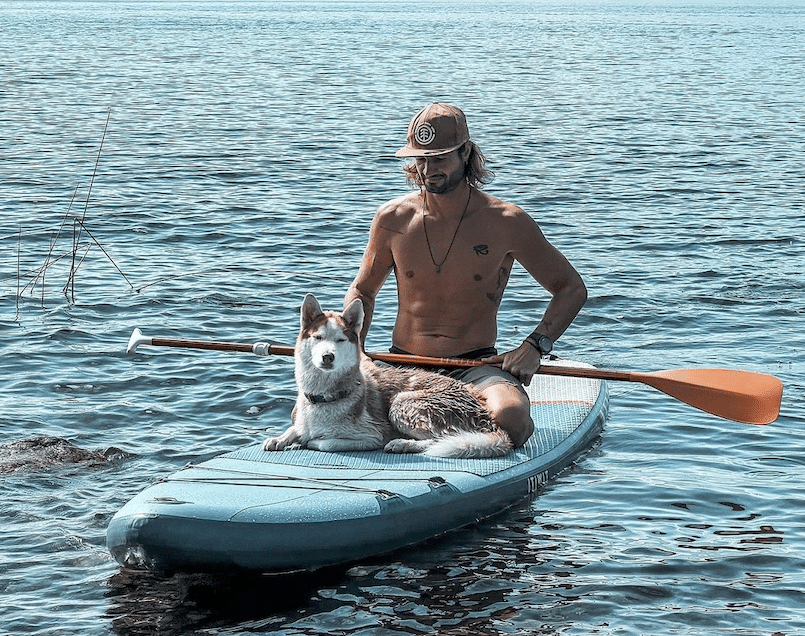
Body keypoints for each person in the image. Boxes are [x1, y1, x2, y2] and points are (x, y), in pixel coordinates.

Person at [344, 103, 587, 447]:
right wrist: (356, 348)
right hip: (402, 366)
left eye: (440, 158)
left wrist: (534, 346)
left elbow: (571, 289)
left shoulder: (506, 222)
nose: (428, 169)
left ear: (466, 153)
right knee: (310, 412)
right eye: (421, 159)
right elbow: (363, 291)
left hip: (477, 368)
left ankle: (424, 438)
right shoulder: (392, 219)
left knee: (512, 422)